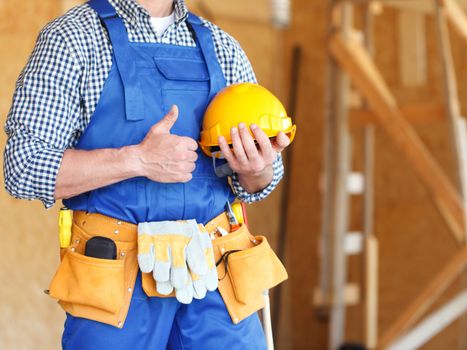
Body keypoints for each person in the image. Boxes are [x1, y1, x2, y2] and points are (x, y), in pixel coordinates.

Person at [3, 0, 291, 348]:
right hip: (113, 288)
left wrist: (257, 168)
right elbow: (24, 166)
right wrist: (136, 161)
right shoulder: (73, 39)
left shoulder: (222, 47)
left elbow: (260, 183)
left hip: (217, 283)